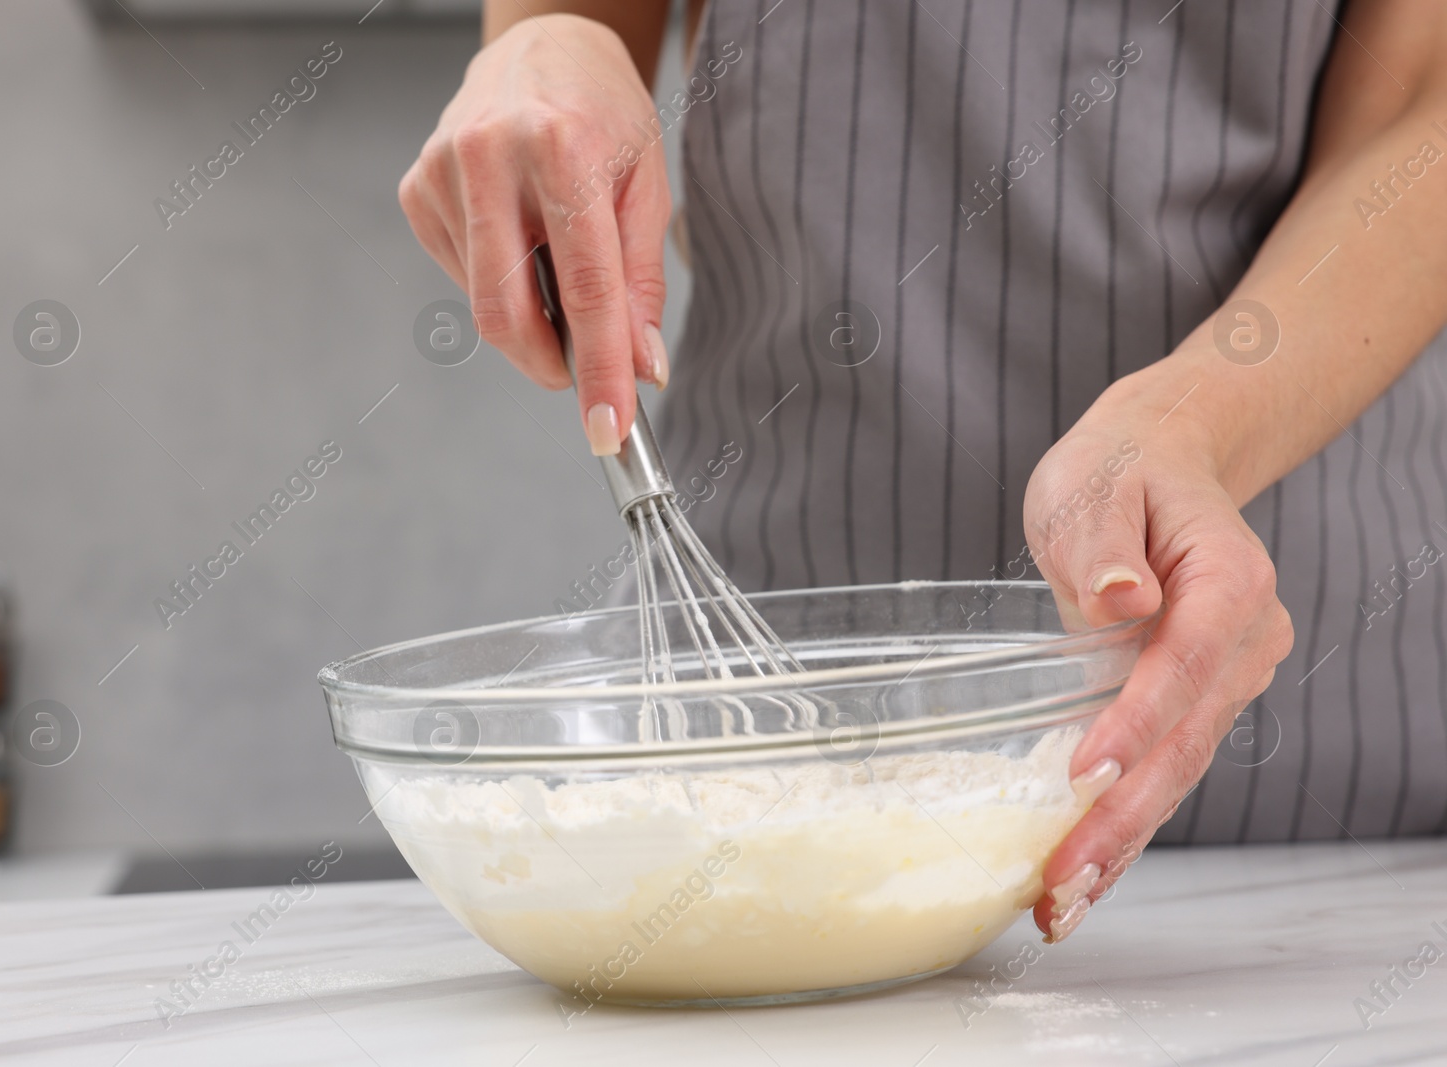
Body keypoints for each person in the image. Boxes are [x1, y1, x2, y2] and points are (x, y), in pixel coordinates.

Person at [400, 0, 1447, 943]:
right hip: (740, 743)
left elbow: (1418, 109)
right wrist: (548, 39)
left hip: (1295, 770)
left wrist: (1196, 422)